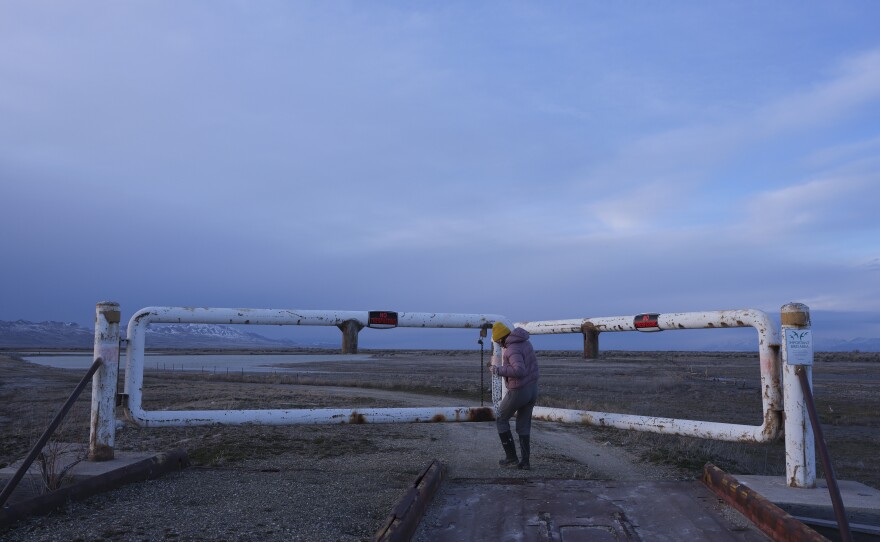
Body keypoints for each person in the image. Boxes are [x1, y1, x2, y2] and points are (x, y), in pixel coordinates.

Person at [489, 321, 539, 470]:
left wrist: (498, 370)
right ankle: (525, 462)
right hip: (533, 389)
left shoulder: (512, 349)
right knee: (523, 425)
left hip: (519, 391)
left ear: (501, 339)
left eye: (498, 341)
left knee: (501, 419)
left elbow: (519, 371)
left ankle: (511, 458)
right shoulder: (525, 343)